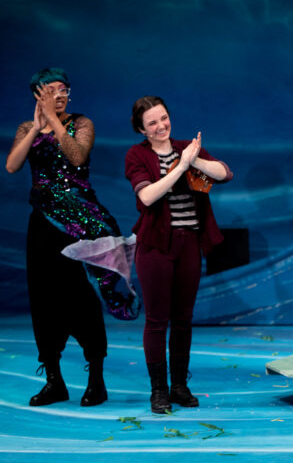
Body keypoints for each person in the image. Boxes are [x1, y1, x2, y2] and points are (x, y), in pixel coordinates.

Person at [6, 68, 139, 407]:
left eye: (63, 88)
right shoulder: (27, 129)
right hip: (43, 224)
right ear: (38, 94)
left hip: (79, 225)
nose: (60, 94)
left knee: (80, 297)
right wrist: (38, 125)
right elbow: (11, 166)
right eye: (51, 90)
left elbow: (77, 156)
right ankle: (54, 380)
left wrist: (53, 118)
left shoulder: (81, 123)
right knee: (44, 299)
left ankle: (96, 379)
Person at [124, 96, 232, 414]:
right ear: (142, 129)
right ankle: (158, 390)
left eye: (164, 118)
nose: (161, 126)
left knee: (183, 320)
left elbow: (224, 174)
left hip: (189, 245)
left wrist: (194, 160)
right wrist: (180, 166)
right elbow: (147, 196)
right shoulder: (137, 155)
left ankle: (179, 386)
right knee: (157, 320)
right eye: (153, 123)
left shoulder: (186, 146)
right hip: (155, 248)